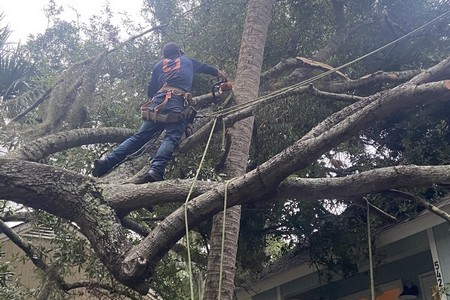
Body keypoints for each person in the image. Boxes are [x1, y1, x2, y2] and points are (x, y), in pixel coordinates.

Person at [92, 42, 228, 182]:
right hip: (176, 100)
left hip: (157, 102)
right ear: (179, 52)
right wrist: (223, 76)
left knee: (138, 137)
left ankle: (106, 162)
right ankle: (156, 170)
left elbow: (150, 91)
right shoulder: (187, 61)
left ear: (165, 55)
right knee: (171, 137)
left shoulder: (159, 65)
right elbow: (208, 69)